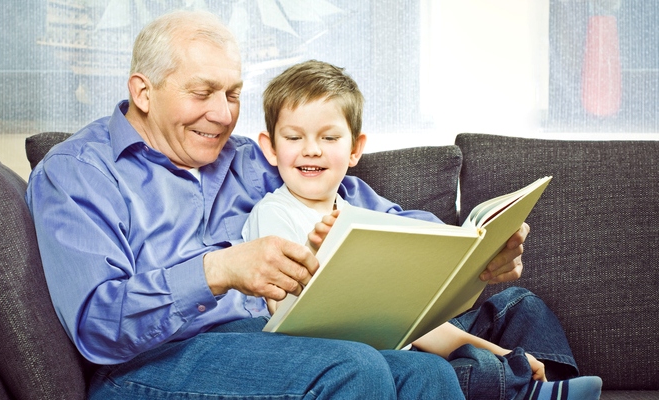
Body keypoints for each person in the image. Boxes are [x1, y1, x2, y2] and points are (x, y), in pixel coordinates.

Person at [22, 9, 584, 400]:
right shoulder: (77, 173)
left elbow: (367, 208)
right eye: (202, 93)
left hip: (268, 343)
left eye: (234, 94)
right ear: (143, 92)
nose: (223, 114)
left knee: (425, 377)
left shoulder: (246, 157)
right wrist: (217, 271)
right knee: (354, 365)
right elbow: (99, 325)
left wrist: (469, 250)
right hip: (149, 364)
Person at [242, 59, 603, 400]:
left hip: (409, 330)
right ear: (270, 148)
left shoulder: (362, 214)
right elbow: (288, 315)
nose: (312, 150)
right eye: (294, 137)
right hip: (370, 352)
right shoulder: (274, 214)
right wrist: (502, 356)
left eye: (329, 138)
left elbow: (412, 314)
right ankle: (518, 383)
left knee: (521, 304)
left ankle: (547, 385)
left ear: (355, 149)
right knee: (442, 369)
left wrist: (505, 349)